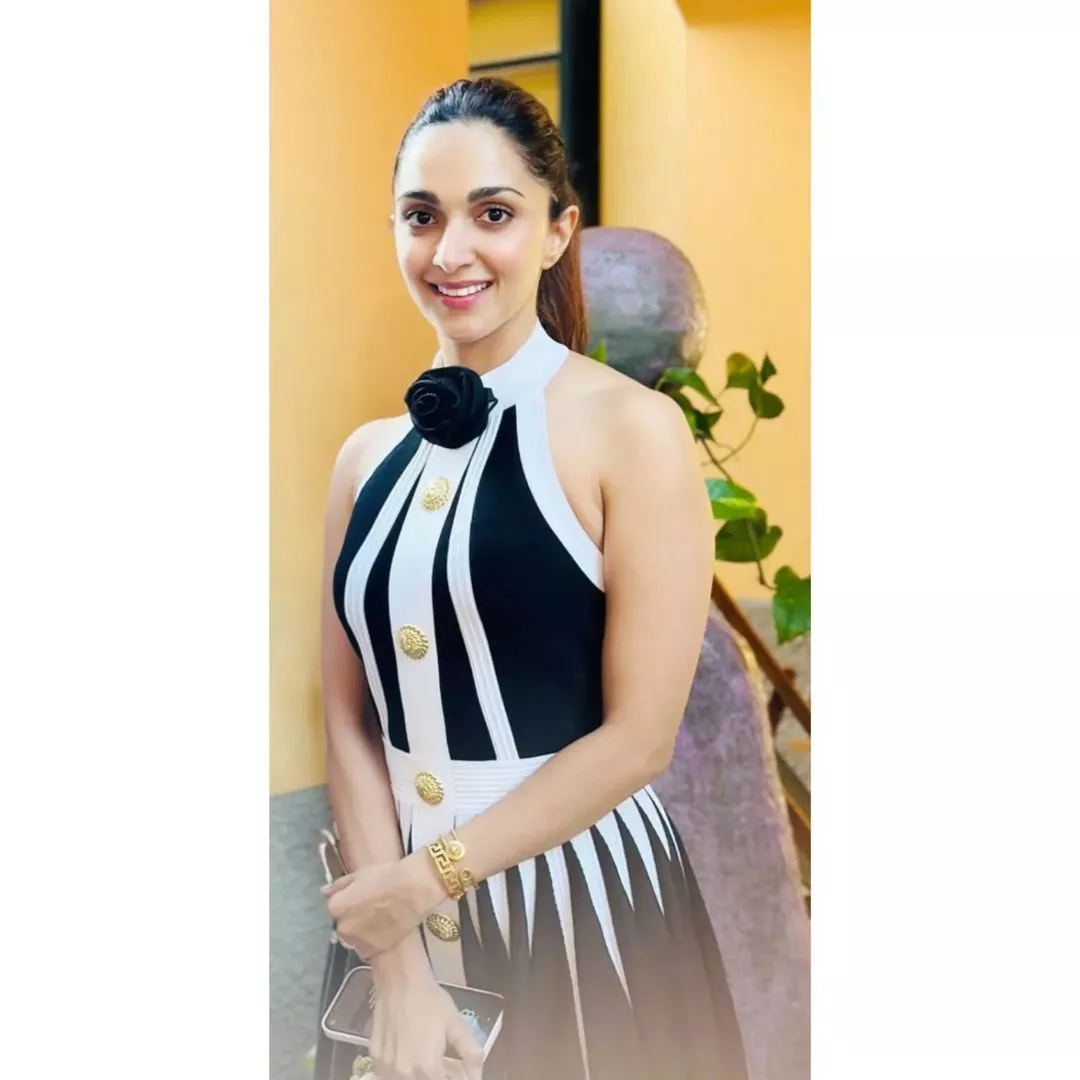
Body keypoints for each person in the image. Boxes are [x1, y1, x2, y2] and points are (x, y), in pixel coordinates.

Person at [314, 77, 749, 1080]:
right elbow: (346, 719)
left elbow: (640, 739)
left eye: (494, 213)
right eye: (421, 216)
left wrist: (425, 881)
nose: (450, 251)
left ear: (558, 232)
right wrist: (397, 963)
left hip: (583, 904)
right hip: (389, 918)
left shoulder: (635, 432)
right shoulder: (363, 460)